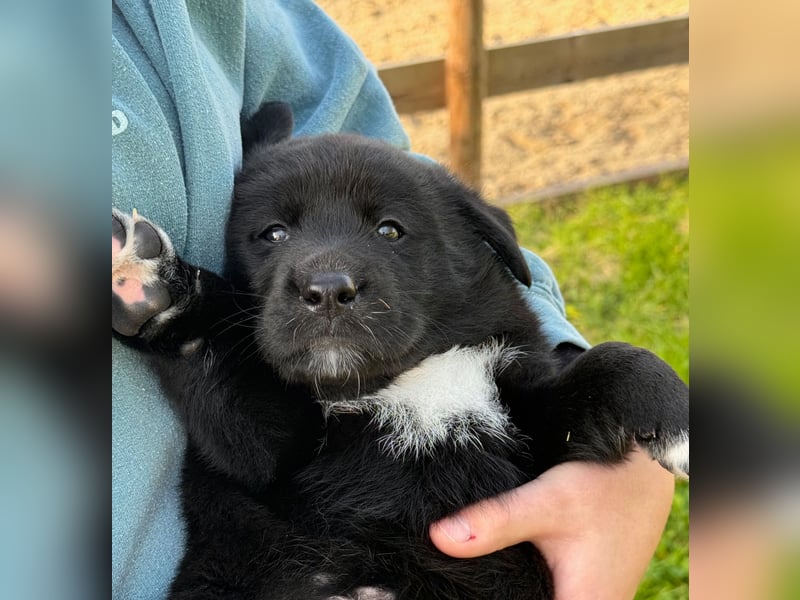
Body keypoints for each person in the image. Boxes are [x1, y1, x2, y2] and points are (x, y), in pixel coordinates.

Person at [111, 1, 675, 598]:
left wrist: (630, 414)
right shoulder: (278, 392)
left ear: (478, 240)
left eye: (389, 231)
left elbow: (360, 129)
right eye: (273, 235)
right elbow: (253, 451)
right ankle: (183, 321)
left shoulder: (495, 349)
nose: (326, 282)